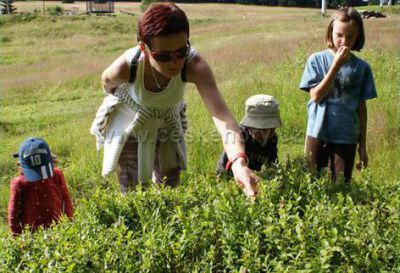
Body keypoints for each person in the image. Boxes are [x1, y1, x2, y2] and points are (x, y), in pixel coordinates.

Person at [90, 3, 258, 196]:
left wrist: (238, 162)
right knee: (132, 188)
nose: (175, 62)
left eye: (181, 52)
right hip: (131, 123)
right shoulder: (126, 67)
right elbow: (106, 83)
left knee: (170, 185)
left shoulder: (194, 66)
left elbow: (222, 117)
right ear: (143, 48)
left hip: (167, 120)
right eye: (162, 56)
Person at [299, 7, 377, 182]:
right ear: (330, 33)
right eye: (339, 35)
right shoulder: (316, 60)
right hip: (317, 132)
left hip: (347, 135)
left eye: (350, 37)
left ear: (358, 37)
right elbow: (316, 96)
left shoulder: (362, 68)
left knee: (341, 185)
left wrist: (362, 146)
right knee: (312, 183)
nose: (344, 41)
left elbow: (361, 109)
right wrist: (335, 66)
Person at [8, 137, 73, 236]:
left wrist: (69, 224)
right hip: (34, 237)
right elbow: (13, 214)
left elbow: (66, 200)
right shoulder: (19, 183)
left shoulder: (56, 175)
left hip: (59, 232)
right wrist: (18, 239)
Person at [216, 94, 282, 176]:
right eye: (261, 130)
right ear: (250, 126)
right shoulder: (238, 137)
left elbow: (273, 166)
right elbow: (223, 169)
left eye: (272, 130)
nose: (266, 136)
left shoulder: (272, 139)